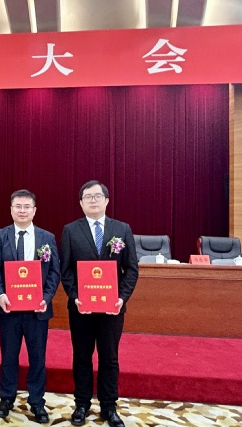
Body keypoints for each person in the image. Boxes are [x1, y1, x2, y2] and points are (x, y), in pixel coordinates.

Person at [60, 180, 138, 427]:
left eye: (97, 196)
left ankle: (109, 406)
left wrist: (121, 298)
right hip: (80, 308)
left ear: (106, 200)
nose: (92, 201)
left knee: (109, 358)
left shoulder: (122, 229)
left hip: (112, 309)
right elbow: (66, 270)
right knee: (82, 356)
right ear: (81, 203)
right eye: (87, 197)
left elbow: (131, 269)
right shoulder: (70, 230)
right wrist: (75, 296)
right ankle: (82, 404)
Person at [0, 189, 60, 423]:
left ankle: (37, 402)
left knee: (37, 358)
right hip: (9, 308)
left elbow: (54, 272)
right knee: (9, 356)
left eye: (26, 206)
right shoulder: (1, 235)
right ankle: (6, 398)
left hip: (37, 310)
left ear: (34, 210)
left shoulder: (47, 238)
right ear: (11, 210)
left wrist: (46, 298)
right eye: (18, 206)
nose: (22, 211)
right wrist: (0, 294)